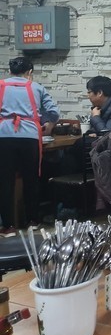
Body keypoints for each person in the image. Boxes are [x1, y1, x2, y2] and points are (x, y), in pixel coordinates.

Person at [0, 56, 59, 234]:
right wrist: (45, 122)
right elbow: (53, 112)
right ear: (30, 72)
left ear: (10, 71)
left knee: (5, 182)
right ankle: (33, 221)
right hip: (30, 136)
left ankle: (8, 226)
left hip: (4, 136)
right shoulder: (37, 87)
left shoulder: (1, 85)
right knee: (31, 179)